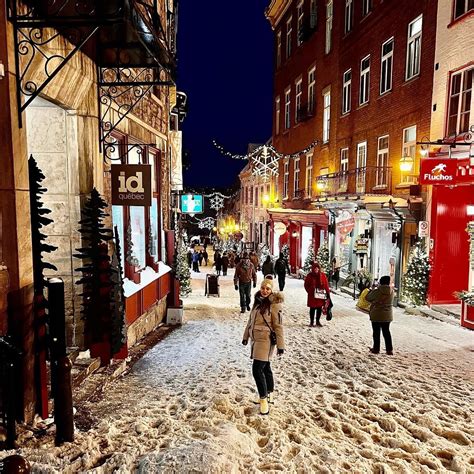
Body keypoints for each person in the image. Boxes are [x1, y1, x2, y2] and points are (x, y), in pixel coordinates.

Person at [242, 277, 284, 415]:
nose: (264, 291)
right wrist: (245, 336)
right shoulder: (258, 301)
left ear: (272, 290)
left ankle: (263, 399)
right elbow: (251, 321)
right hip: (256, 339)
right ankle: (270, 393)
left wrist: (280, 345)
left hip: (265, 340)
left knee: (257, 370)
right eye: (263, 288)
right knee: (266, 368)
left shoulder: (274, 305)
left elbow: (278, 326)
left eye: (268, 288)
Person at [365, 275, 394, 355]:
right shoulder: (391, 291)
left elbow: (368, 298)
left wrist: (372, 289)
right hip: (387, 314)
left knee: (376, 332)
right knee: (386, 332)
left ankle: (376, 349)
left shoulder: (377, 291)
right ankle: (389, 349)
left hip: (377, 313)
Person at [304, 262, 331, 327]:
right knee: (312, 309)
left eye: (317, 268)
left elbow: (326, 285)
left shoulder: (322, 275)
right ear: (313, 268)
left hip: (320, 295)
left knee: (319, 308)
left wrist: (328, 293)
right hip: (312, 296)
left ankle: (317, 321)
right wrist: (310, 290)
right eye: (315, 268)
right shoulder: (309, 275)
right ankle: (311, 322)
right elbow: (306, 285)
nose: (316, 269)